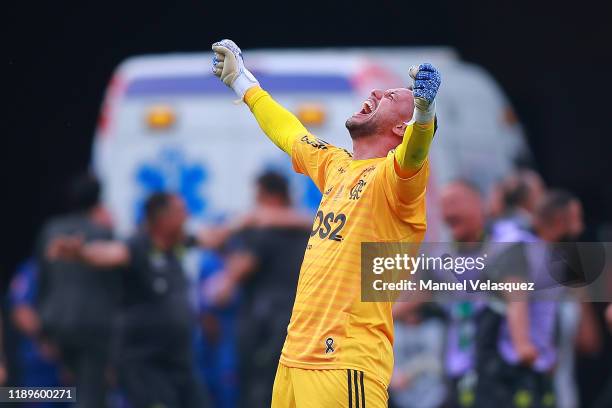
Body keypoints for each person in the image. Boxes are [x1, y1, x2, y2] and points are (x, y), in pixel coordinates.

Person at [212, 39, 441, 407]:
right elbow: (290, 133)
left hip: (345, 364)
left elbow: (415, 153)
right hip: (293, 360)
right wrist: (244, 83)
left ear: (402, 127)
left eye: (389, 96)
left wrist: (425, 113)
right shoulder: (336, 165)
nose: (375, 92)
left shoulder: (397, 182)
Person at [47, 192, 207, 408]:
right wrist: (80, 253)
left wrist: (244, 222)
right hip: (146, 365)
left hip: (180, 363)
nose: (187, 217)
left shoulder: (178, 245)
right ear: (162, 218)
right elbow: (107, 253)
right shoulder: (137, 247)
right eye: (181, 212)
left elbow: (213, 236)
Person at [209, 171, 311, 407]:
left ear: (271, 197)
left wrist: (223, 243)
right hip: (300, 323)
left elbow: (231, 279)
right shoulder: (307, 228)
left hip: (266, 325)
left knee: (260, 391)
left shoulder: (263, 232)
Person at [475, 190, 584, 408]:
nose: (581, 226)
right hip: (508, 363)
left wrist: (547, 355)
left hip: (534, 364)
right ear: (560, 220)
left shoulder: (551, 252)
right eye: (577, 218)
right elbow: (516, 297)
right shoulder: (519, 244)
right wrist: (523, 345)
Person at [35, 173, 119, 408]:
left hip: (57, 323)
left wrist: (43, 329)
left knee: (62, 391)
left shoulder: (50, 230)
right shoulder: (102, 233)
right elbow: (114, 288)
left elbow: (43, 281)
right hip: (93, 327)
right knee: (90, 391)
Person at [438, 181, 489, 407]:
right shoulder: (441, 259)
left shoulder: (504, 248)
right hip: (456, 371)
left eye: (454, 203)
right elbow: (411, 298)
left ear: (478, 205)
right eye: (443, 206)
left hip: (496, 373)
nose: (447, 212)